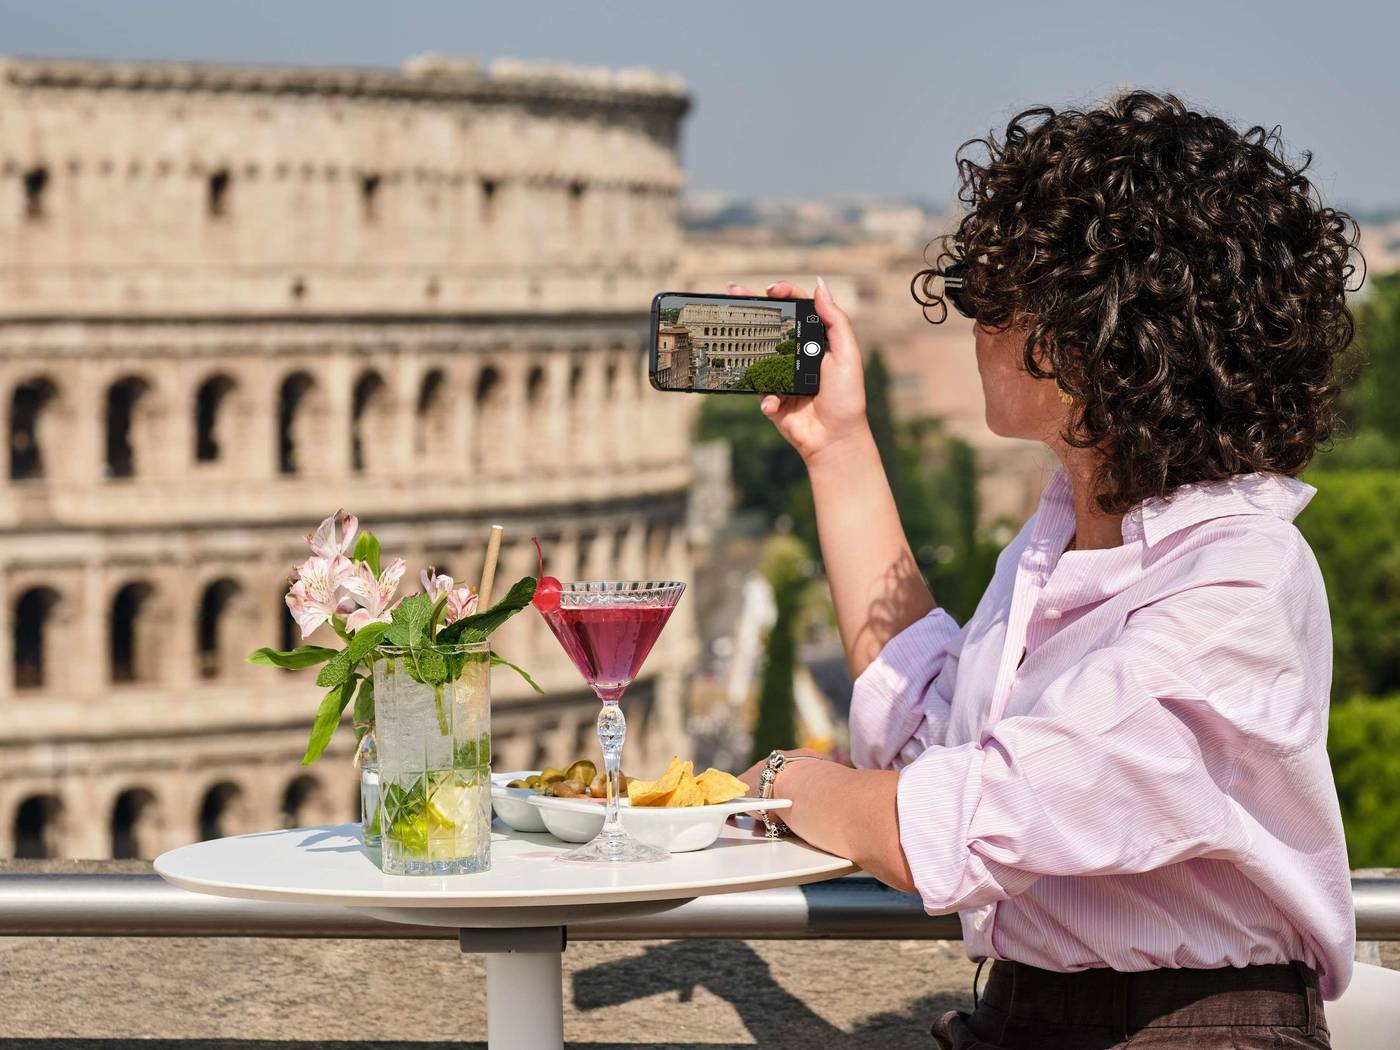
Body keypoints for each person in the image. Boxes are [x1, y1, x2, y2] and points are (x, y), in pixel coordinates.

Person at [734, 91, 1361, 1049]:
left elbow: (963, 819)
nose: (971, 324)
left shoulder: (1240, 579)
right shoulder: (1064, 542)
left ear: (1095, 339)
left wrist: (782, 779)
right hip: (1031, 1018)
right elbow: (921, 728)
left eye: (992, 298)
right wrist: (839, 448)